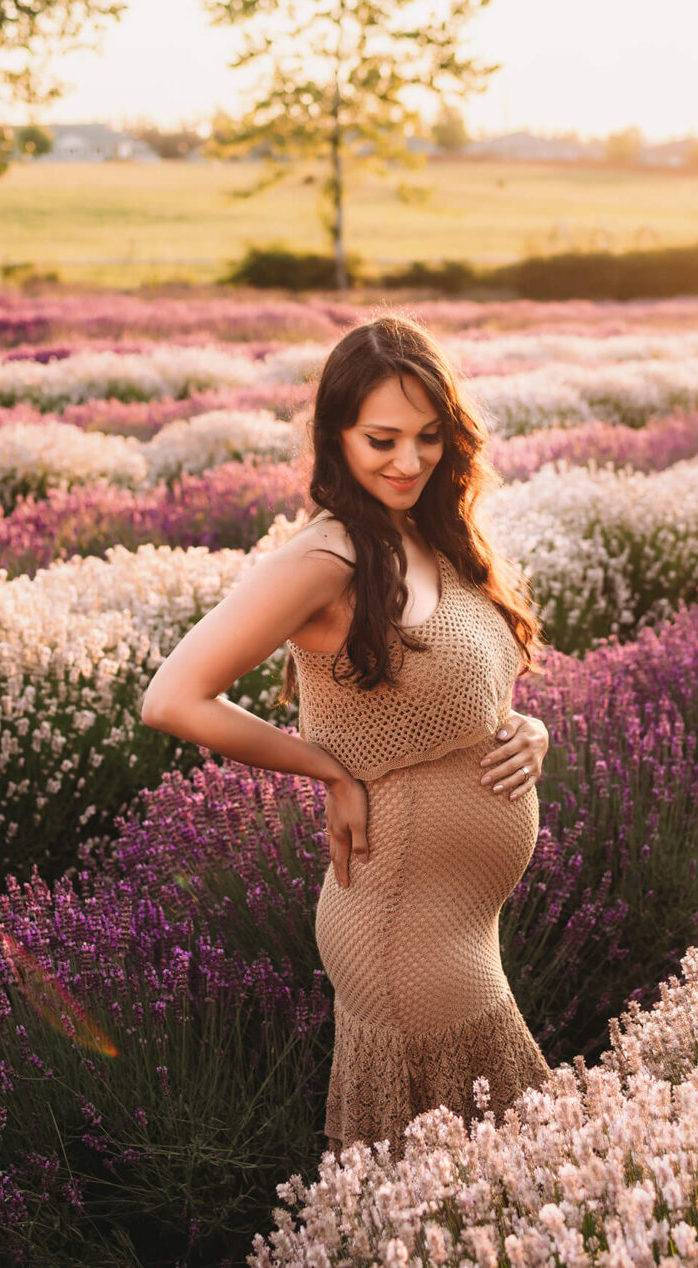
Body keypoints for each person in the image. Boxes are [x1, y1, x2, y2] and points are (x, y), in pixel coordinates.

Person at [139, 314, 554, 1153]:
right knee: (491, 1170)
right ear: (336, 437)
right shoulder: (328, 560)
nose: (409, 462)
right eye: (382, 440)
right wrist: (328, 771)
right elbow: (174, 697)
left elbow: (467, 689)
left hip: (463, 918)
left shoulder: (434, 533)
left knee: (486, 1175)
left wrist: (527, 731)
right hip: (401, 920)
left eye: (430, 438)